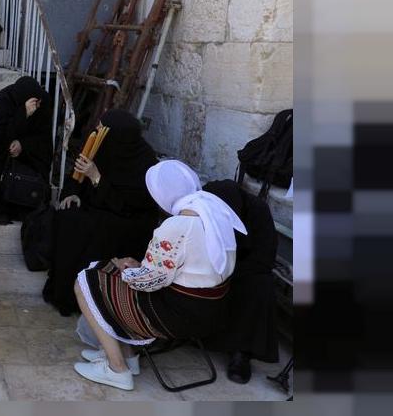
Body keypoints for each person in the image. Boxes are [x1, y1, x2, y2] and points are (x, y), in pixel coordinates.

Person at [71, 159, 245, 391]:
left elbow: (149, 281)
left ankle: (116, 369)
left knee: (87, 281)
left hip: (175, 315)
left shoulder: (178, 225)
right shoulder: (214, 212)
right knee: (109, 271)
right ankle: (129, 357)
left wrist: (126, 268)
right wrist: (135, 267)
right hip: (210, 311)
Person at [41, 109, 163, 316]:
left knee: (88, 230)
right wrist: (73, 194)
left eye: (102, 129)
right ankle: (63, 291)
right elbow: (75, 179)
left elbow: (130, 205)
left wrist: (96, 177)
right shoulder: (100, 147)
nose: (97, 131)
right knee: (67, 217)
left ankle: (85, 298)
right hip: (97, 207)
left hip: (128, 220)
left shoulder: (144, 162)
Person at [202, 179, 280, 383]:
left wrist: (229, 271)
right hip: (213, 266)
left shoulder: (257, 211)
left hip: (246, 269)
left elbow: (264, 258)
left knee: (261, 286)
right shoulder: (206, 208)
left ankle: (242, 353)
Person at [0, 76, 54, 224]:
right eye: (34, 103)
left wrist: (23, 145)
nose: (37, 106)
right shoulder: (4, 101)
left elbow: (43, 138)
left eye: (38, 101)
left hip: (29, 156)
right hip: (2, 156)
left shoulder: (43, 102)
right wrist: (23, 115)